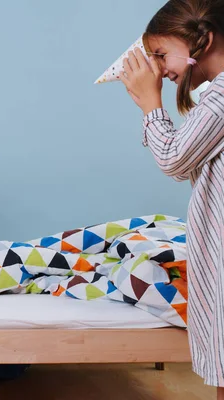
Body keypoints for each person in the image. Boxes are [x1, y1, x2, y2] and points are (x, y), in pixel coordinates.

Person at [121, 0, 224, 396]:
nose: (160, 68)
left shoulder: (219, 99)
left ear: (204, 39)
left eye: (162, 54)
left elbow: (173, 159)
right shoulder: (211, 100)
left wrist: (151, 104)